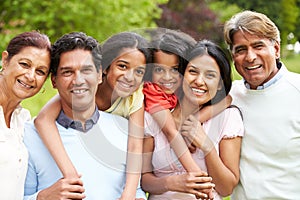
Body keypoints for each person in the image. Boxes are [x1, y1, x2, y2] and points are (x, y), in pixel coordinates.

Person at [23, 31, 147, 199]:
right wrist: (42, 197)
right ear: (54, 81)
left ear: (99, 75)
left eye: (86, 70)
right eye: (67, 72)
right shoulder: (28, 136)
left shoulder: (125, 130)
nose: (78, 80)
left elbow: (136, 190)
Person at [142, 40, 244, 200]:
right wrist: (172, 182)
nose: (199, 81)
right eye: (193, 71)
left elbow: (226, 188)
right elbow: (143, 180)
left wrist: (207, 146)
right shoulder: (153, 115)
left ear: (219, 84)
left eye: (210, 75)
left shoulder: (227, 118)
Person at [223, 10, 300, 199]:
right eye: (241, 49)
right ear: (233, 56)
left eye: (258, 46)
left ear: (276, 49)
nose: (250, 57)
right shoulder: (228, 96)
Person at [0, 31, 51, 200]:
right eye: (24, 64)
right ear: (5, 60)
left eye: (40, 71)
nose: (30, 76)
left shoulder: (23, 121)